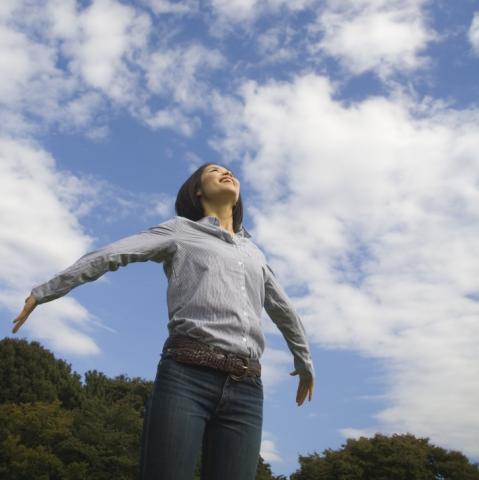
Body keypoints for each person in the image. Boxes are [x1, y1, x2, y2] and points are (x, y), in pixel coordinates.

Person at [12, 163, 315, 480]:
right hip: (187, 377)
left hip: (247, 389)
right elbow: (113, 253)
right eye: (214, 171)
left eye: (229, 171)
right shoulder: (180, 230)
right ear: (197, 190)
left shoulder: (254, 253)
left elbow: (283, 308)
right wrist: (45, 292)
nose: (227, 173)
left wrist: (304, 361)